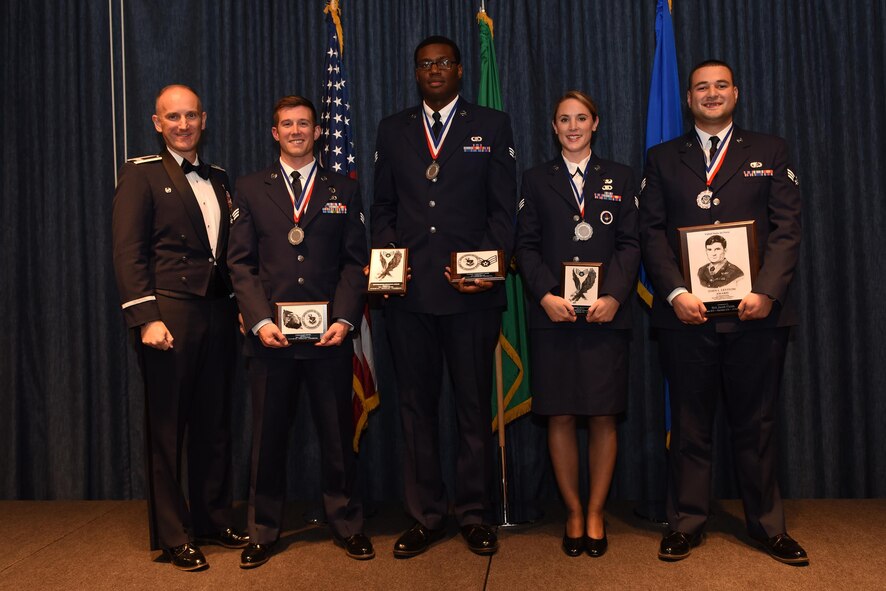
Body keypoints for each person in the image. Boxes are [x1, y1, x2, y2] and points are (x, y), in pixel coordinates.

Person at [639, 60, 807, 565]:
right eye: (701, 88)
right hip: (686, 316)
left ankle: (767, 526)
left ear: (736, 92)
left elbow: (788, 227)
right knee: (690, 423)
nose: (711, 94)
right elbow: (650, 232)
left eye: (720, 86)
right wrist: (673, 293)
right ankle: (686, 523)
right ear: (688, 99)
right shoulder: (663, 157)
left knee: (756, 423)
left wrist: (768, 291)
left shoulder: (770, 150)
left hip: (757, 315)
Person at [371, 35, 516, 557]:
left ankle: (474, 514)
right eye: (425, 64)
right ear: (416, 73)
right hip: (408, 297)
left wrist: (488, 267)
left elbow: (503, 212)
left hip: (472, 295)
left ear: (459, 71)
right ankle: (427, 514)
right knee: (416, 409)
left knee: (473, 409)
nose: (434, 71)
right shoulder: (393, 129)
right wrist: (387, 263)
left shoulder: (492, 126)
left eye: (444, 63)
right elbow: (383, 206)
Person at [227, 96, 372, 568]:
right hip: (271, 341)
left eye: (304, 123)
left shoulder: (343, 188)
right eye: (287, 124)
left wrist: (345, 319)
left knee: (337, 438)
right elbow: (240, 263)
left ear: (317, 132)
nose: (295, 130)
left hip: (330, 339)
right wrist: (261, 320)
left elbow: (355, 261)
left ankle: (347, 523)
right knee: (267, 440)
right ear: (275, 132)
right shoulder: (249, 189)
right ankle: (263, 530)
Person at [111, 84, 247, 571]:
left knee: (215, 424)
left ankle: (213, 517)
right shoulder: (140, 174)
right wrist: (145, 318)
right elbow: (129, 253)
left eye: (191, 116)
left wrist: (238, 303)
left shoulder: (221, 176)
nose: (183, 125)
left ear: (204, 119)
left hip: (216, 311)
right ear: (157, 123)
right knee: (168, 428)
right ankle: (173, 534)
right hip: (168, 315)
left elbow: (227, 252)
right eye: (173, 117)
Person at [515, 91, 639, 558]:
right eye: (563, 119)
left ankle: (596, 511)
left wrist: (613, 295)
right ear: (553, 126)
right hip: (555, 316)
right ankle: (571, 511)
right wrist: (545, 295)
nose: (572, 126)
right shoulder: (534, 179)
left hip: (608, 315)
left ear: (596, 123)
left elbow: (630, 243)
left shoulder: (621, 177)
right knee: (561, 414)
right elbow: (525, 246)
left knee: (604, 414)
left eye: (580, 118)